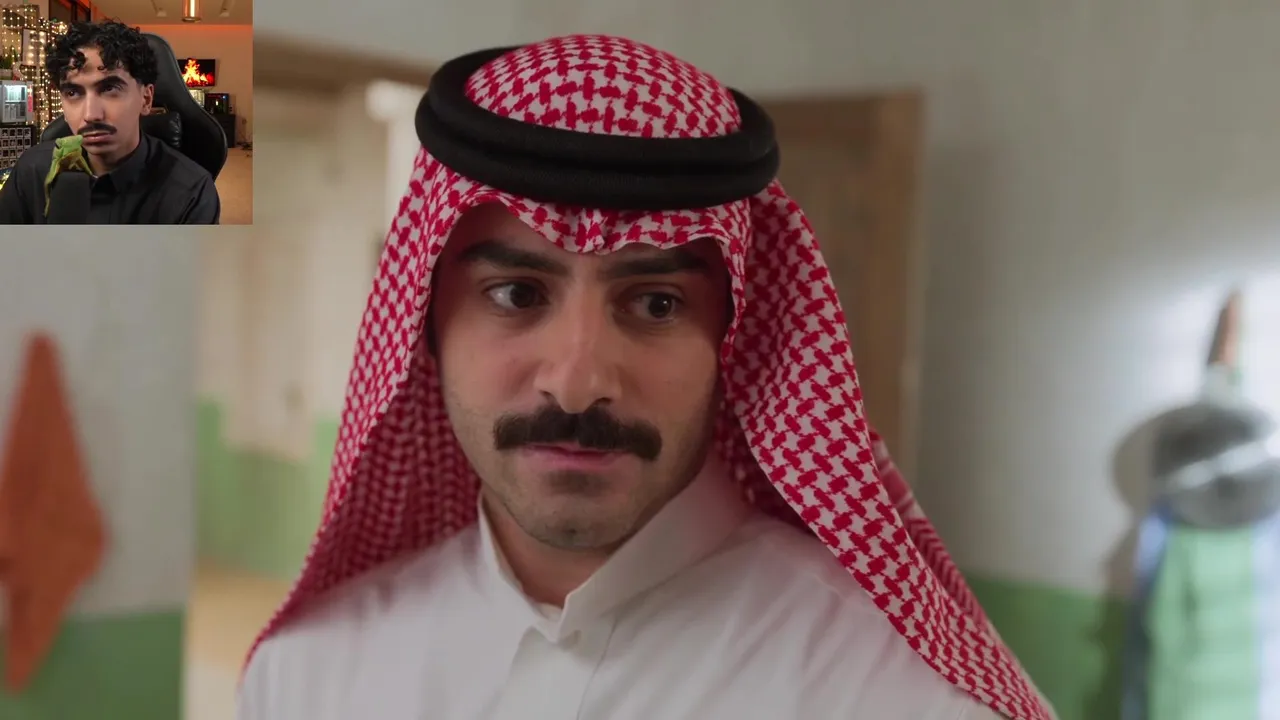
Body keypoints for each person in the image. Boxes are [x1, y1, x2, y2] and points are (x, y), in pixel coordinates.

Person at [237, 36, 1055, 720]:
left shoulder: (897, 694)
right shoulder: (308, 674)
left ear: (734, 338)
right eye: (517, 294)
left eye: (657, 303)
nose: (577, 384)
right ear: (426, 323)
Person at [0, 20, 219, 224]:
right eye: (73, 93)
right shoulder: (32, 171)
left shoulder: (191, 192)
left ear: (146, 99)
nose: (91, 115)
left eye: (109, 88)